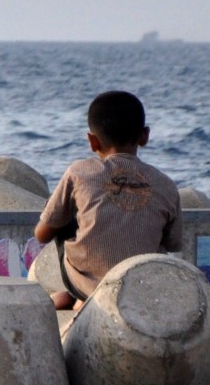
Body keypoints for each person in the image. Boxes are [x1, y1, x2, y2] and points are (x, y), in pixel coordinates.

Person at [34, 90, 183, 310]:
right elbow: (173, 243)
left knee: (62, 214)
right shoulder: (166, 184)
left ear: (92, 141)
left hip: (88, 285)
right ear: (145, 136)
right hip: (142, 285)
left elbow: (42, 235)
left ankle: (80, 296)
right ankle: (80, 300)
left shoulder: (79, 172)